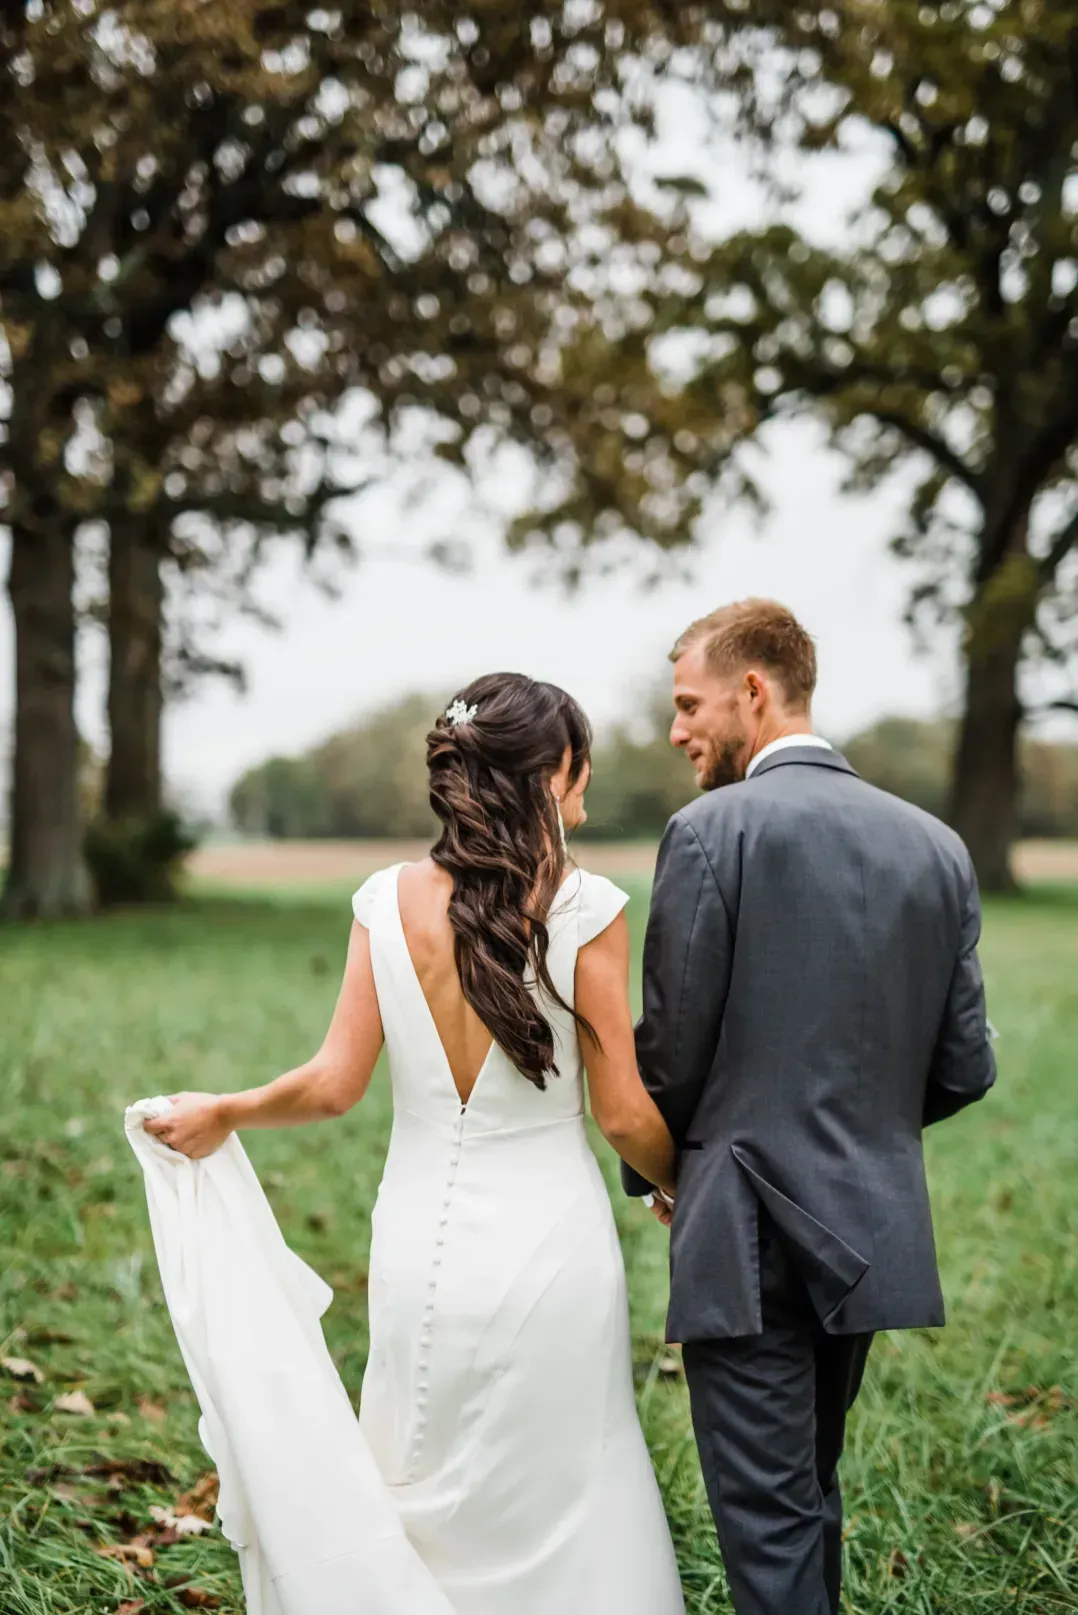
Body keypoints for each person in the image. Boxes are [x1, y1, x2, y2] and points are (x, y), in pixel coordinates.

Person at [143, 673, 685, 1615]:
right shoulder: (588, 907)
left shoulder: (384, 901)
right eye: (581, 759)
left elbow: (331, 1085)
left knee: (417, 1469)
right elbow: (625, 1116)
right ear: (552, 773)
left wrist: (227, 1108)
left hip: (416, 1248)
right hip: (549, 1251)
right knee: (564, 1480)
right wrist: (687, 1184)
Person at [624, 598, 998, 1615]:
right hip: (870, 1225)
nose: (675, 730)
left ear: (753, 689)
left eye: (689, 703)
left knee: (769, 1523)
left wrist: (668, 1172)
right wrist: (859, 1131)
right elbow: (965, 1065)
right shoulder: (933, 845)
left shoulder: (706, 833)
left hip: (742, 1237)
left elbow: (669, 1046)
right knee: (807, 1498)